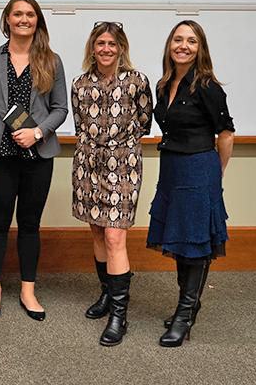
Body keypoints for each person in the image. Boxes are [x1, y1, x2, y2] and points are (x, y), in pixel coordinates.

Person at [0, 0, 67, 321]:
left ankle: (28, 290)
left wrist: (37, 132)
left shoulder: (51, 61)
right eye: (17, 14)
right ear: (7, 20)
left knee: (30, 224)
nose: (23, 19)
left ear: (37, 20)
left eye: (30, 14)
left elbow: (61, 109)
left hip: (37, 156)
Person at [147, 20, 234, 347]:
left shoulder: (209, 86)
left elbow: (225, 134)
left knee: (196, 241)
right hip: (171, 169)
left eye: (192, 41)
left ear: (200, 49)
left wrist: (216, 174)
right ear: (170, 45)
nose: (183, 46)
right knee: (182, 239)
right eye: (178, 40)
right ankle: (191, 303)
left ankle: (184, 316)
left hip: (199, 168)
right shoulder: (163, 84)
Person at [70, 21, 153, 345]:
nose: (106, 49)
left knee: (115, 236)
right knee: (97, 230)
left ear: (121, 48)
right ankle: (106, 294)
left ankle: (120, 314)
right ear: (93, 47)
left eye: (112, 44)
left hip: (124, 165)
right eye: (100, 43)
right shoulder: (79, 84)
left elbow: (145, 122)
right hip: (87, 166)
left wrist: (120, 149)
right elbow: (79, 123)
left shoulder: (136, 81)